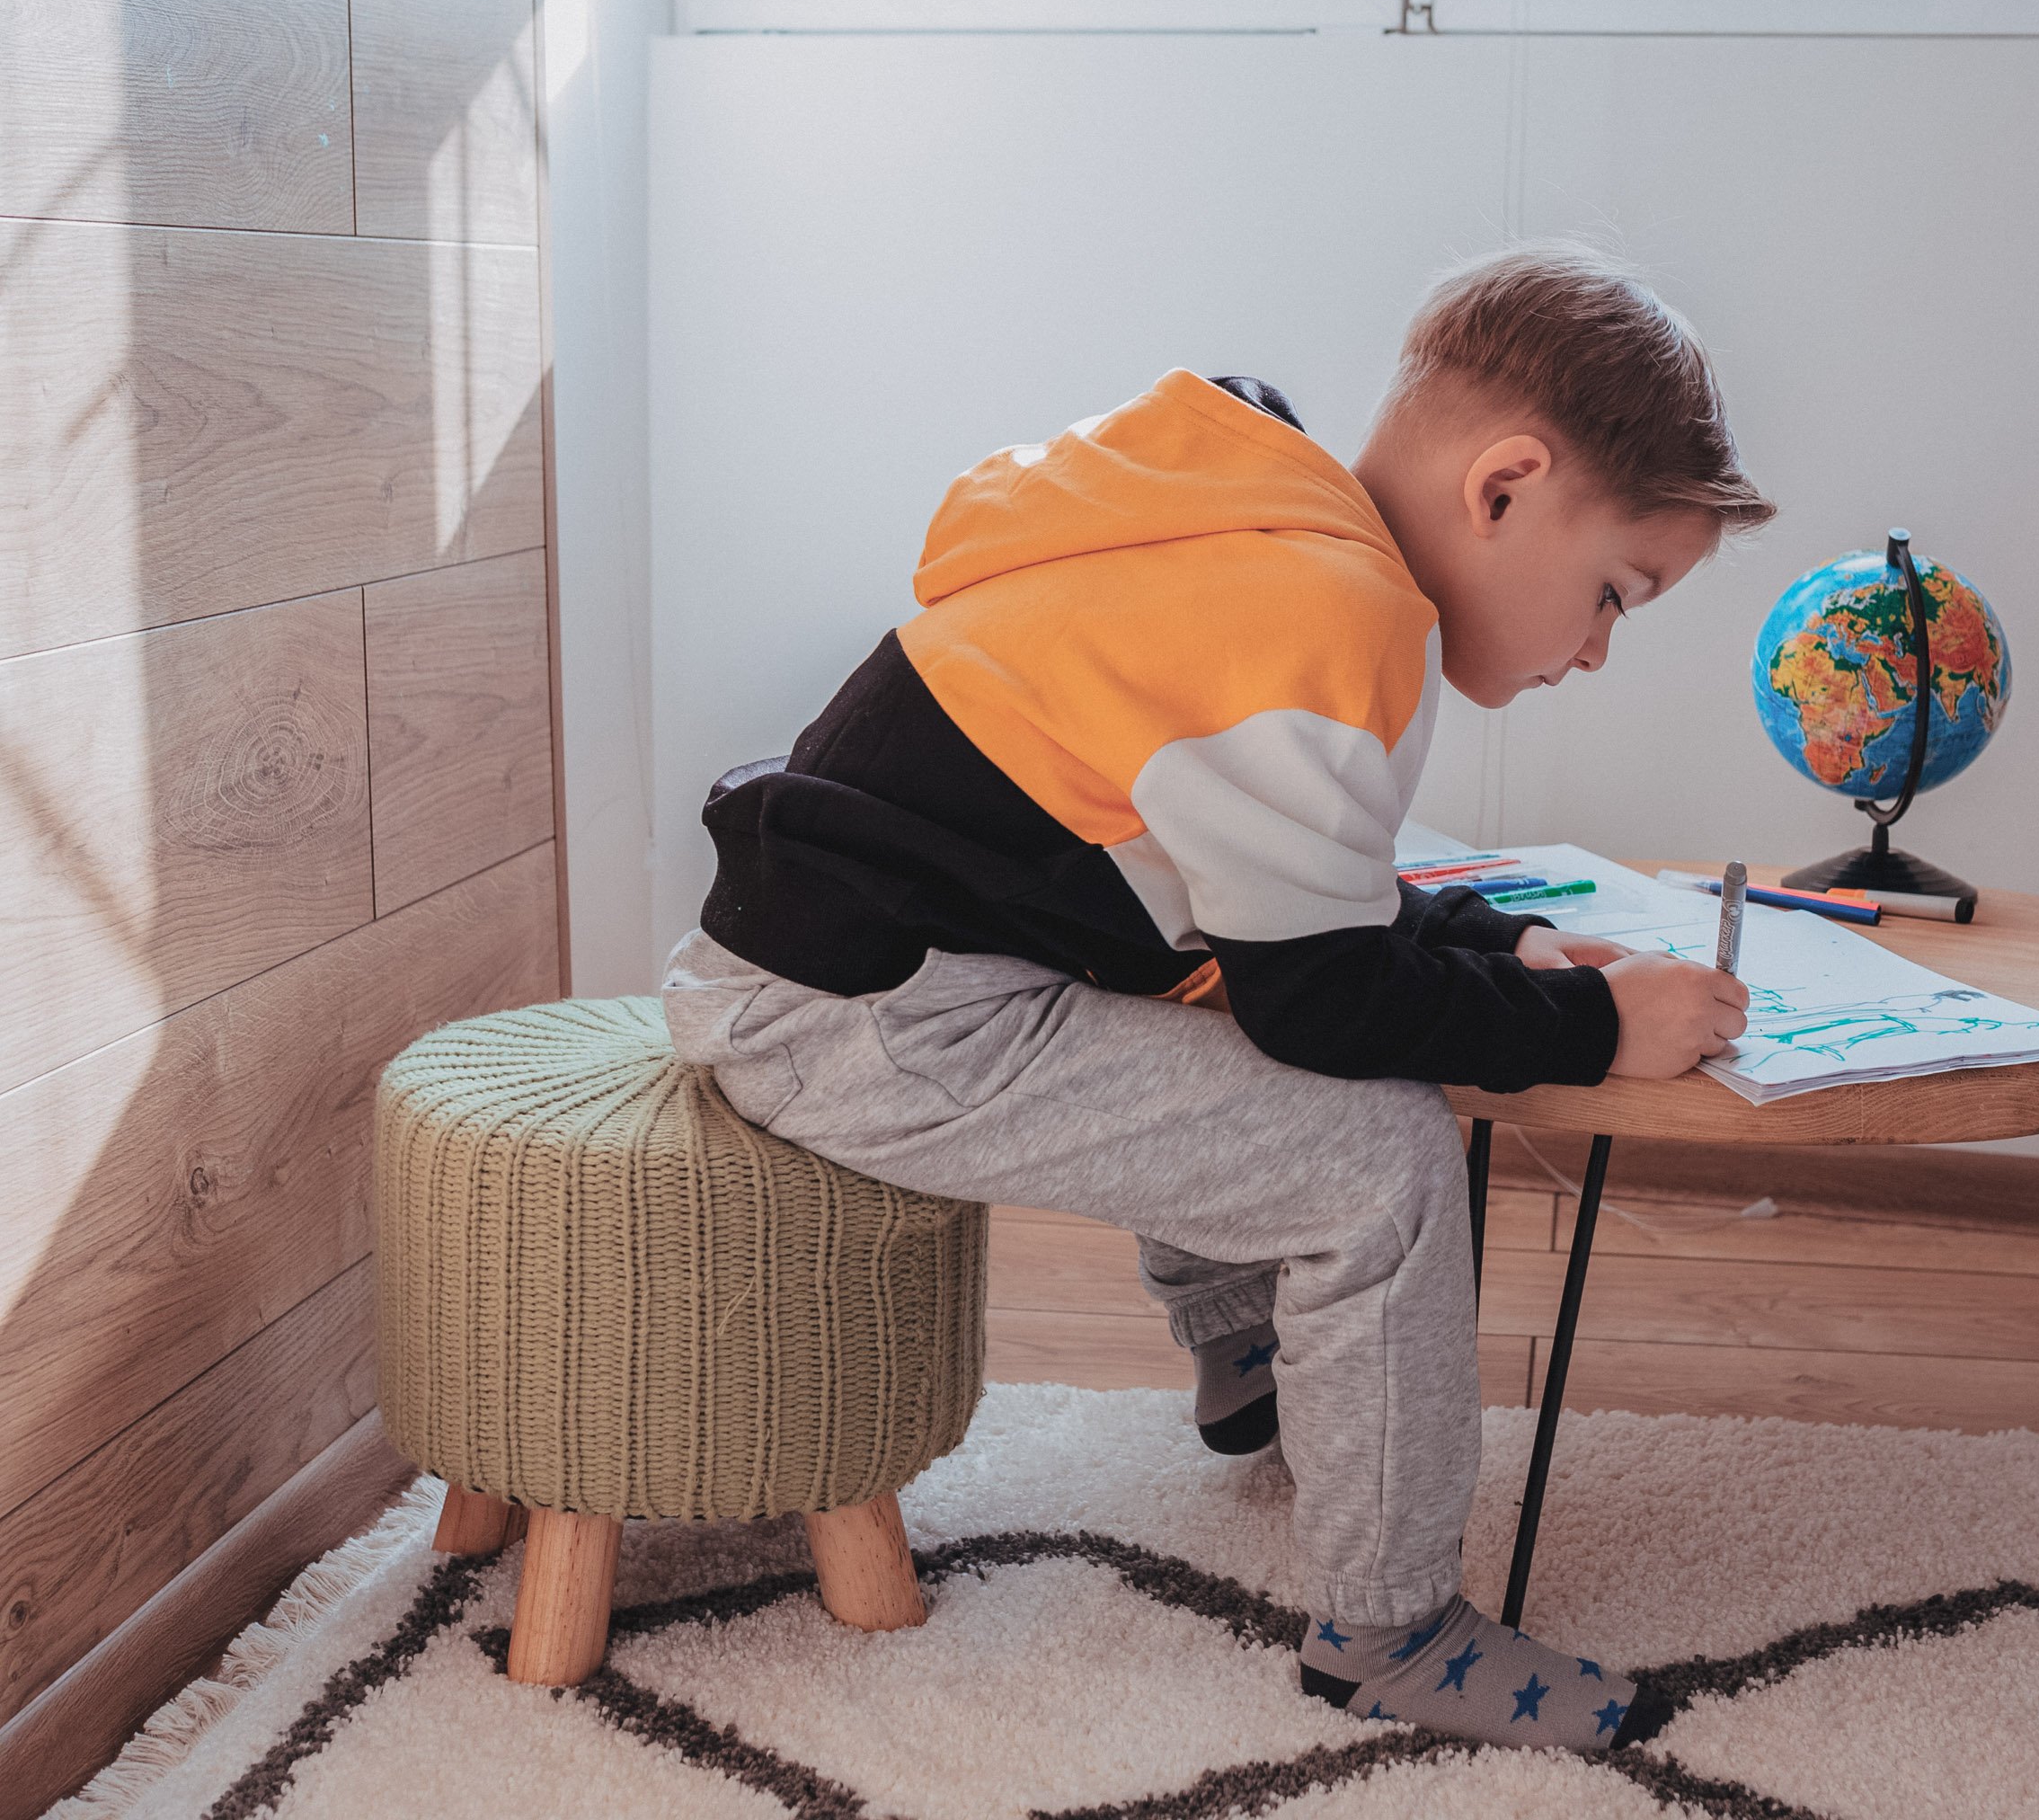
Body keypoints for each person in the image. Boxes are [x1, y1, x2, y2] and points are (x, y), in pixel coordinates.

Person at [661, 245, 1769, 1750]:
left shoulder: (1255, 523)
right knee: (1377, 1159)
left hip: (852, 964)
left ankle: (1252, 1356)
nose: (1592, 651)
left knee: (1227, 995)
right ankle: (1390, 1629)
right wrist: (1594, 1031)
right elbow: (1320, 1004)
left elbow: (1267, 889)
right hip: (865, 1024)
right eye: (1612, 596)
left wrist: (1488, 945)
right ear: (1505, 489)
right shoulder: (1331, 627)